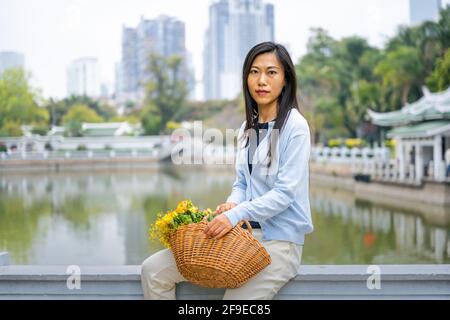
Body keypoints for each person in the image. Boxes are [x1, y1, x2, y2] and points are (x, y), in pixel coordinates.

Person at [141, 42, 314, 300]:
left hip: (279, 244)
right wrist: (230, 205)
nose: (261, 80)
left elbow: (285, 194)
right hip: (244, 237)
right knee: (153, 270)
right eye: (254, 72)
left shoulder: (295, 127)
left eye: (271, 72)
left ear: (286, 79)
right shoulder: (250, 126)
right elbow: (242, 183)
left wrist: (236, 215)